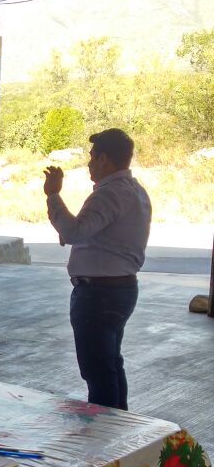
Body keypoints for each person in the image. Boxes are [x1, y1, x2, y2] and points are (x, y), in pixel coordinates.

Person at [44, 128, 151, 411]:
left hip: (99, 294)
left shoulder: (109, 193)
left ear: (104, 159)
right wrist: (74, 233)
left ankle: (105, 431)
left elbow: (75, 231)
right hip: (119, 289)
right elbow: (101, 233)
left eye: (92, 157)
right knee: (110, 364)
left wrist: (53, 194)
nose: (89, 163)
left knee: (98, 370)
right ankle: (119, 424)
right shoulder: (134, 191)